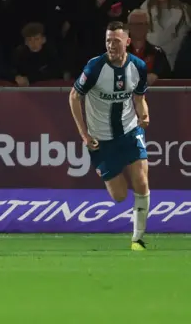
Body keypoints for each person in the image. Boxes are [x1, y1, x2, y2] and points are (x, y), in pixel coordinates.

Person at [68, 21, 150, 251]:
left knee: (141, 181)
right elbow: (74, 96)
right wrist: (84, 135)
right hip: (101, 139)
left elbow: (139, 97)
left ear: (127, 42)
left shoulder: (138, 67)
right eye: (108, 41)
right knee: (120, 196)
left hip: (130, 131)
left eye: (116, 40)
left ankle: (138, 239)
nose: (111, 45)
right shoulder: (95, 67)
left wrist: (144, 113)